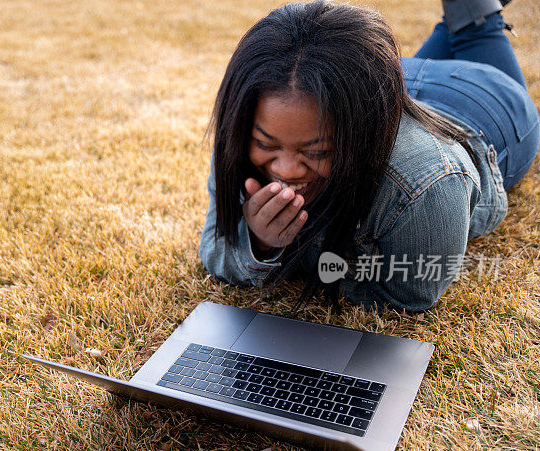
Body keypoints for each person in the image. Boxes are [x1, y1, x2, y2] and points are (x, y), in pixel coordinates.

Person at [198, 0, 539, 312]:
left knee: (480, 31)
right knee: (460, 30)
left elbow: (408, 292)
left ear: (359, 136)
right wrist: (259, 241)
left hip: (482, 103)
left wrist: (294, 252)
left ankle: (480, 18)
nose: (285, 169)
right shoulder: (244, 131)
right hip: (400, 77)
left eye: (316, 151)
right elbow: (213, 249)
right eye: (268, 145)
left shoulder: (428, 184)